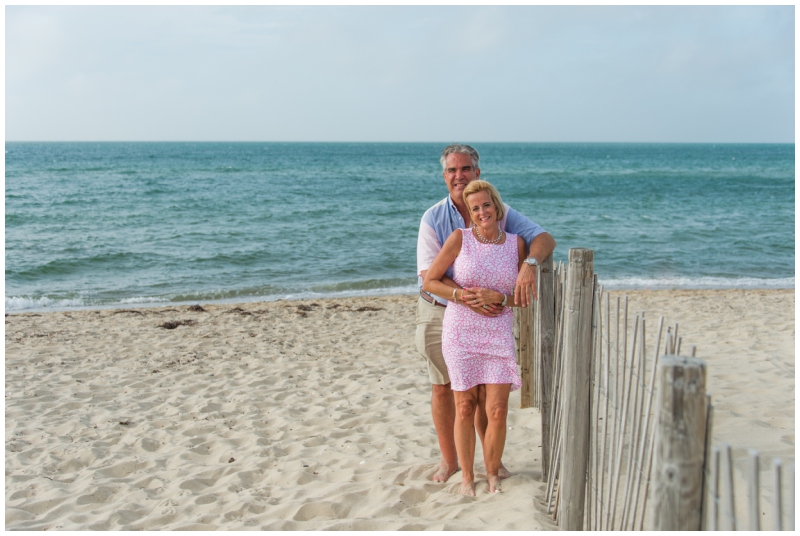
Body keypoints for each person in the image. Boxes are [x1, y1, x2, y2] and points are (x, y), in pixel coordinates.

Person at [415, 144, 556, 486]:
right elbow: (428, 276)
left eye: (465, 169)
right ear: (444, 175)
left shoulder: (501, 212)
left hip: (492, 320)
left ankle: (491, 464)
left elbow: (542, 238)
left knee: (487, 398)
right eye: (452, 170)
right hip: (442, 313)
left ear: (478, 173)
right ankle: (450, 462)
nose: (459, 176)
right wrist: (467, 297)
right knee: (445, 389)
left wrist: (528, 266)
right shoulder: (434, 218)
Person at [423, 180, 526, 495]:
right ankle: (467, 478)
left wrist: (500, 297)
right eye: (475, 207)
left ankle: (492, 474)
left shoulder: (516, 244)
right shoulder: (459, 239)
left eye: (486, 204)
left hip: (497, 332)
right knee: (465, 405)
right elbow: (430, 281)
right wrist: (460, 295)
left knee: (497, 409)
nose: (482, 211)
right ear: (469, 212)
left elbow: (522, 298)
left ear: (496, 205)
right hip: (461, 330)